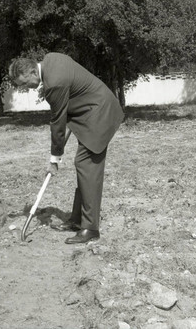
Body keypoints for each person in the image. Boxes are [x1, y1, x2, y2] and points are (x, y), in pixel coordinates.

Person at [9, 53, 124, 244]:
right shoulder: (52, 58)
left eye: (24, 83)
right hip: (90, 112)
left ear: (31, 71)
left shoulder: (54, 84)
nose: (25, 88)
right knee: (84, 166)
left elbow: (57, 121)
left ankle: (90, 229)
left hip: (99, 113)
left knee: (86, 166)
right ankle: (78, 220)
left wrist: (55, 159)